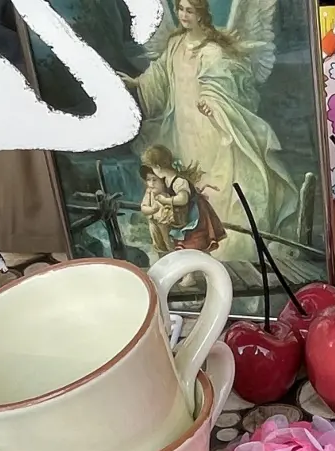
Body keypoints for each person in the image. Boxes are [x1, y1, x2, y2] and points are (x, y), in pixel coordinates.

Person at [123, 0, 300, 261]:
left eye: (189, 11)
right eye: (180, 10)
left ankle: (223, 245)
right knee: (189, 181)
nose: (183, 16)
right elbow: (160, 75)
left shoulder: (213, 50)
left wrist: (211, 101)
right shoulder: (175, 44)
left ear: (201, 14)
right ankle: (191, 240)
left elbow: (227, 85)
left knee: (213, 182)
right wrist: (137, 83)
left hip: (209, 128)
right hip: (181, 127)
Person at [138, 144, 227, 258]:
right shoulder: (166, 180)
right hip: (184, 216)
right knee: (186, 245)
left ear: (158, 167)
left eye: (153, 168)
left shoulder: (178, 181)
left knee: (194, 243)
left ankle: (204, 268)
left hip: (196, 215)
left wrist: (167, 200)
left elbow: (183, 199)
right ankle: (192, 272)